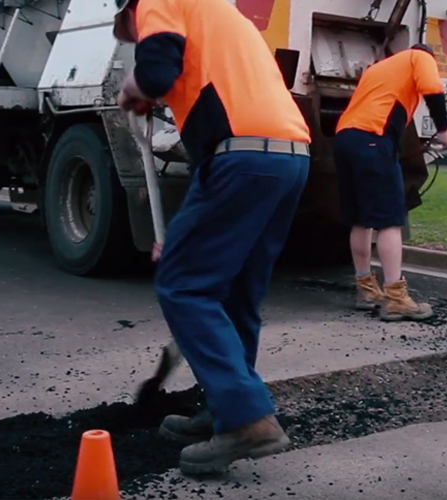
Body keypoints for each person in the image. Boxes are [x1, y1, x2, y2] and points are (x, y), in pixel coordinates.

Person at [113, 0, 312, 475]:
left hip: (241, 156)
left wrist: (132, 89)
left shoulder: (158, 1)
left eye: (127, 31)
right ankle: (226, 410)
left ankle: (247, 419)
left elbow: (157, 71)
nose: (131, 37)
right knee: (238, 295)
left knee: (183, 286)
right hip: (288, 156)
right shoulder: (223, 16)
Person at [333, 43, 447, 322]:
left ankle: (366, 290)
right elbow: (433, 89)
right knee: (389, 220)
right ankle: (396, 298)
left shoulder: (379, 68)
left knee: (361, 219)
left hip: (345, 138)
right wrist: (444, 130)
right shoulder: (420, 57)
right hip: (373, 138)